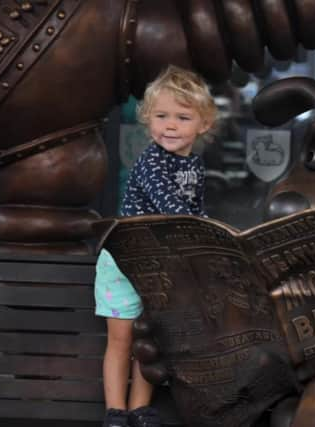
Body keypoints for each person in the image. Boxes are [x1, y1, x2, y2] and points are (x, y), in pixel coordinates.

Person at [95, 65, 217, 427]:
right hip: (125, 261)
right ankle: (115, 413)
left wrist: (211, 237)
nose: (170, 125)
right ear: (148, 120)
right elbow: (174, 211)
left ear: (203, 124)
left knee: (148, 343)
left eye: (182, 117)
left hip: (159, 267)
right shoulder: (152, 162)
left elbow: (196, 211)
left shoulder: (193, 164)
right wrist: (202, 234)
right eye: (161, 116)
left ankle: (139, 410)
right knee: (121, 341)